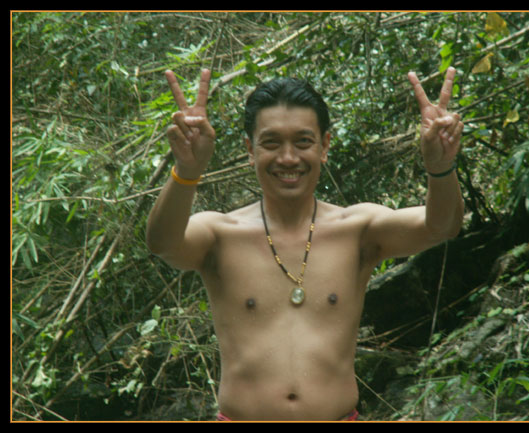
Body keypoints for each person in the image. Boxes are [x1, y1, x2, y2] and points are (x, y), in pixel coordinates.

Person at [146, 67, 464, 421]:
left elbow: (442, 226)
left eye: (302, 142)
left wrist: (441, 168)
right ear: (250, 150)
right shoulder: (220, 234)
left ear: (324, 146)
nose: (288, 158)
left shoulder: (357, 229)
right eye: (271, 143)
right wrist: (186, 172)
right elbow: (163, 242)